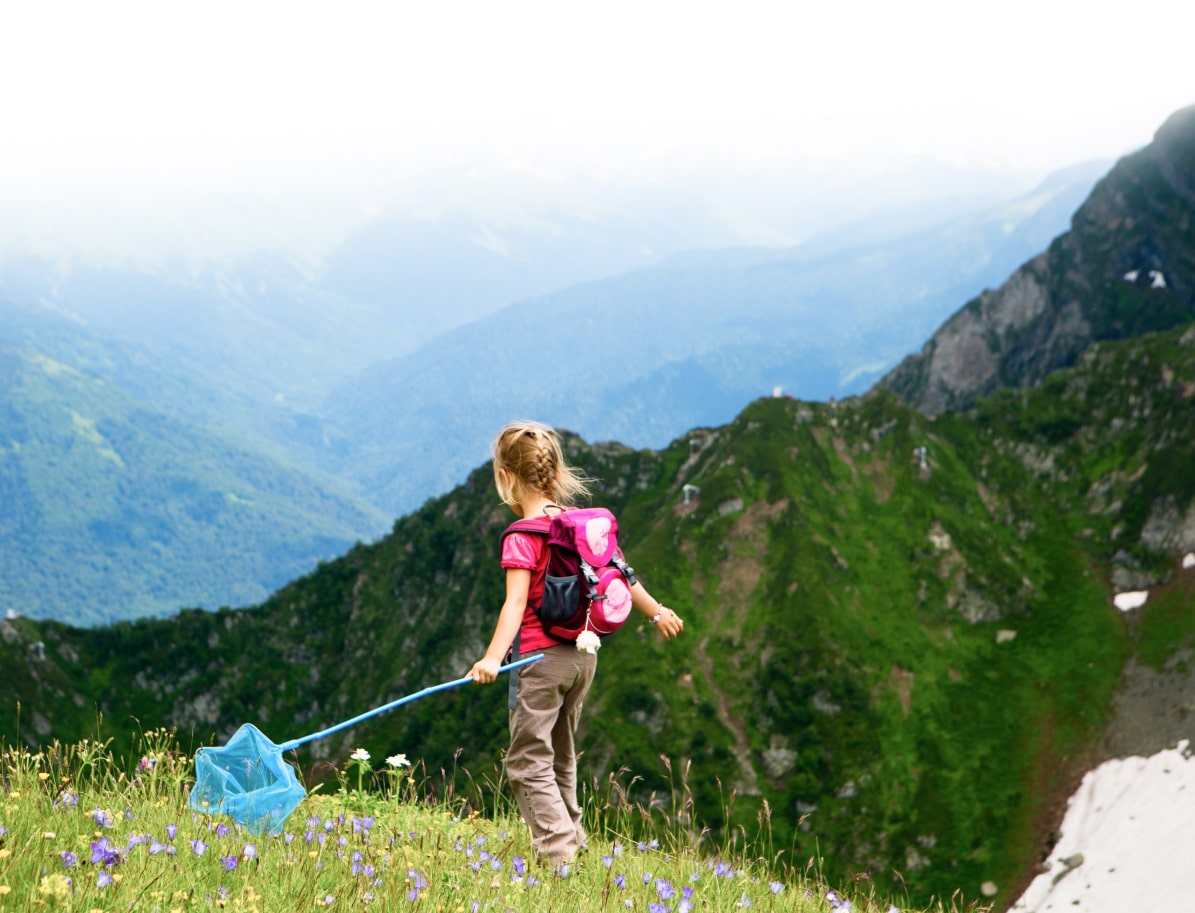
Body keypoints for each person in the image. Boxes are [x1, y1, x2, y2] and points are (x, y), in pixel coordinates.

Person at [468, 420, 684, 866]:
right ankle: (575, 841)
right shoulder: (583, 528)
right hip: (583, 659)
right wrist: (658, 612)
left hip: (539, 662)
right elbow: (623, 574)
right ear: (553, 472)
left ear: (505, 476)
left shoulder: (523, 535)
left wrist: (491, 658)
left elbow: (513, 606)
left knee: (528, 761)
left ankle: (559, 855)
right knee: (561, 755)